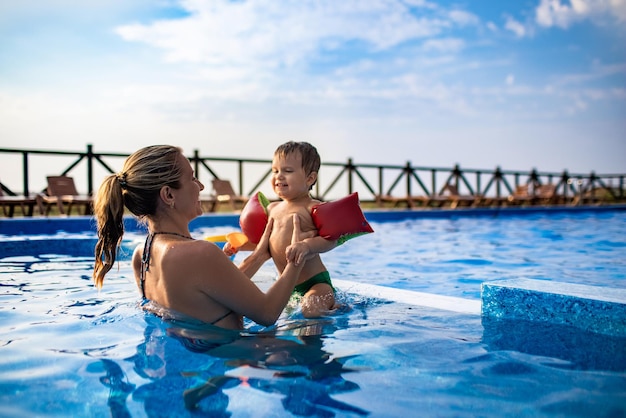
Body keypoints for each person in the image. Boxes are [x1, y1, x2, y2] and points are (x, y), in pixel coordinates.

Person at [92, 145, 306, 330]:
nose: (201, 186)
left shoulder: (142, 254)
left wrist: (259, 256)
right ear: (168, 195)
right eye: (192, 178)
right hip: (229, 364)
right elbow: (267, 313)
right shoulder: (201, 253)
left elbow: (208, 296)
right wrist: (295, 259)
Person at [228, 141, 339, 318]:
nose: (279, 176)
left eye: (287, 171)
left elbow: (330, 239)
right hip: (287, 287)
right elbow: (265, 244)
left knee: (311, 310)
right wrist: (240, 246)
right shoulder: (272, 209)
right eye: (275, 171)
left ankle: (334, 307)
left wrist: (307, 246)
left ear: (310, 178)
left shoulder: (313, 208)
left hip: (316, 283)